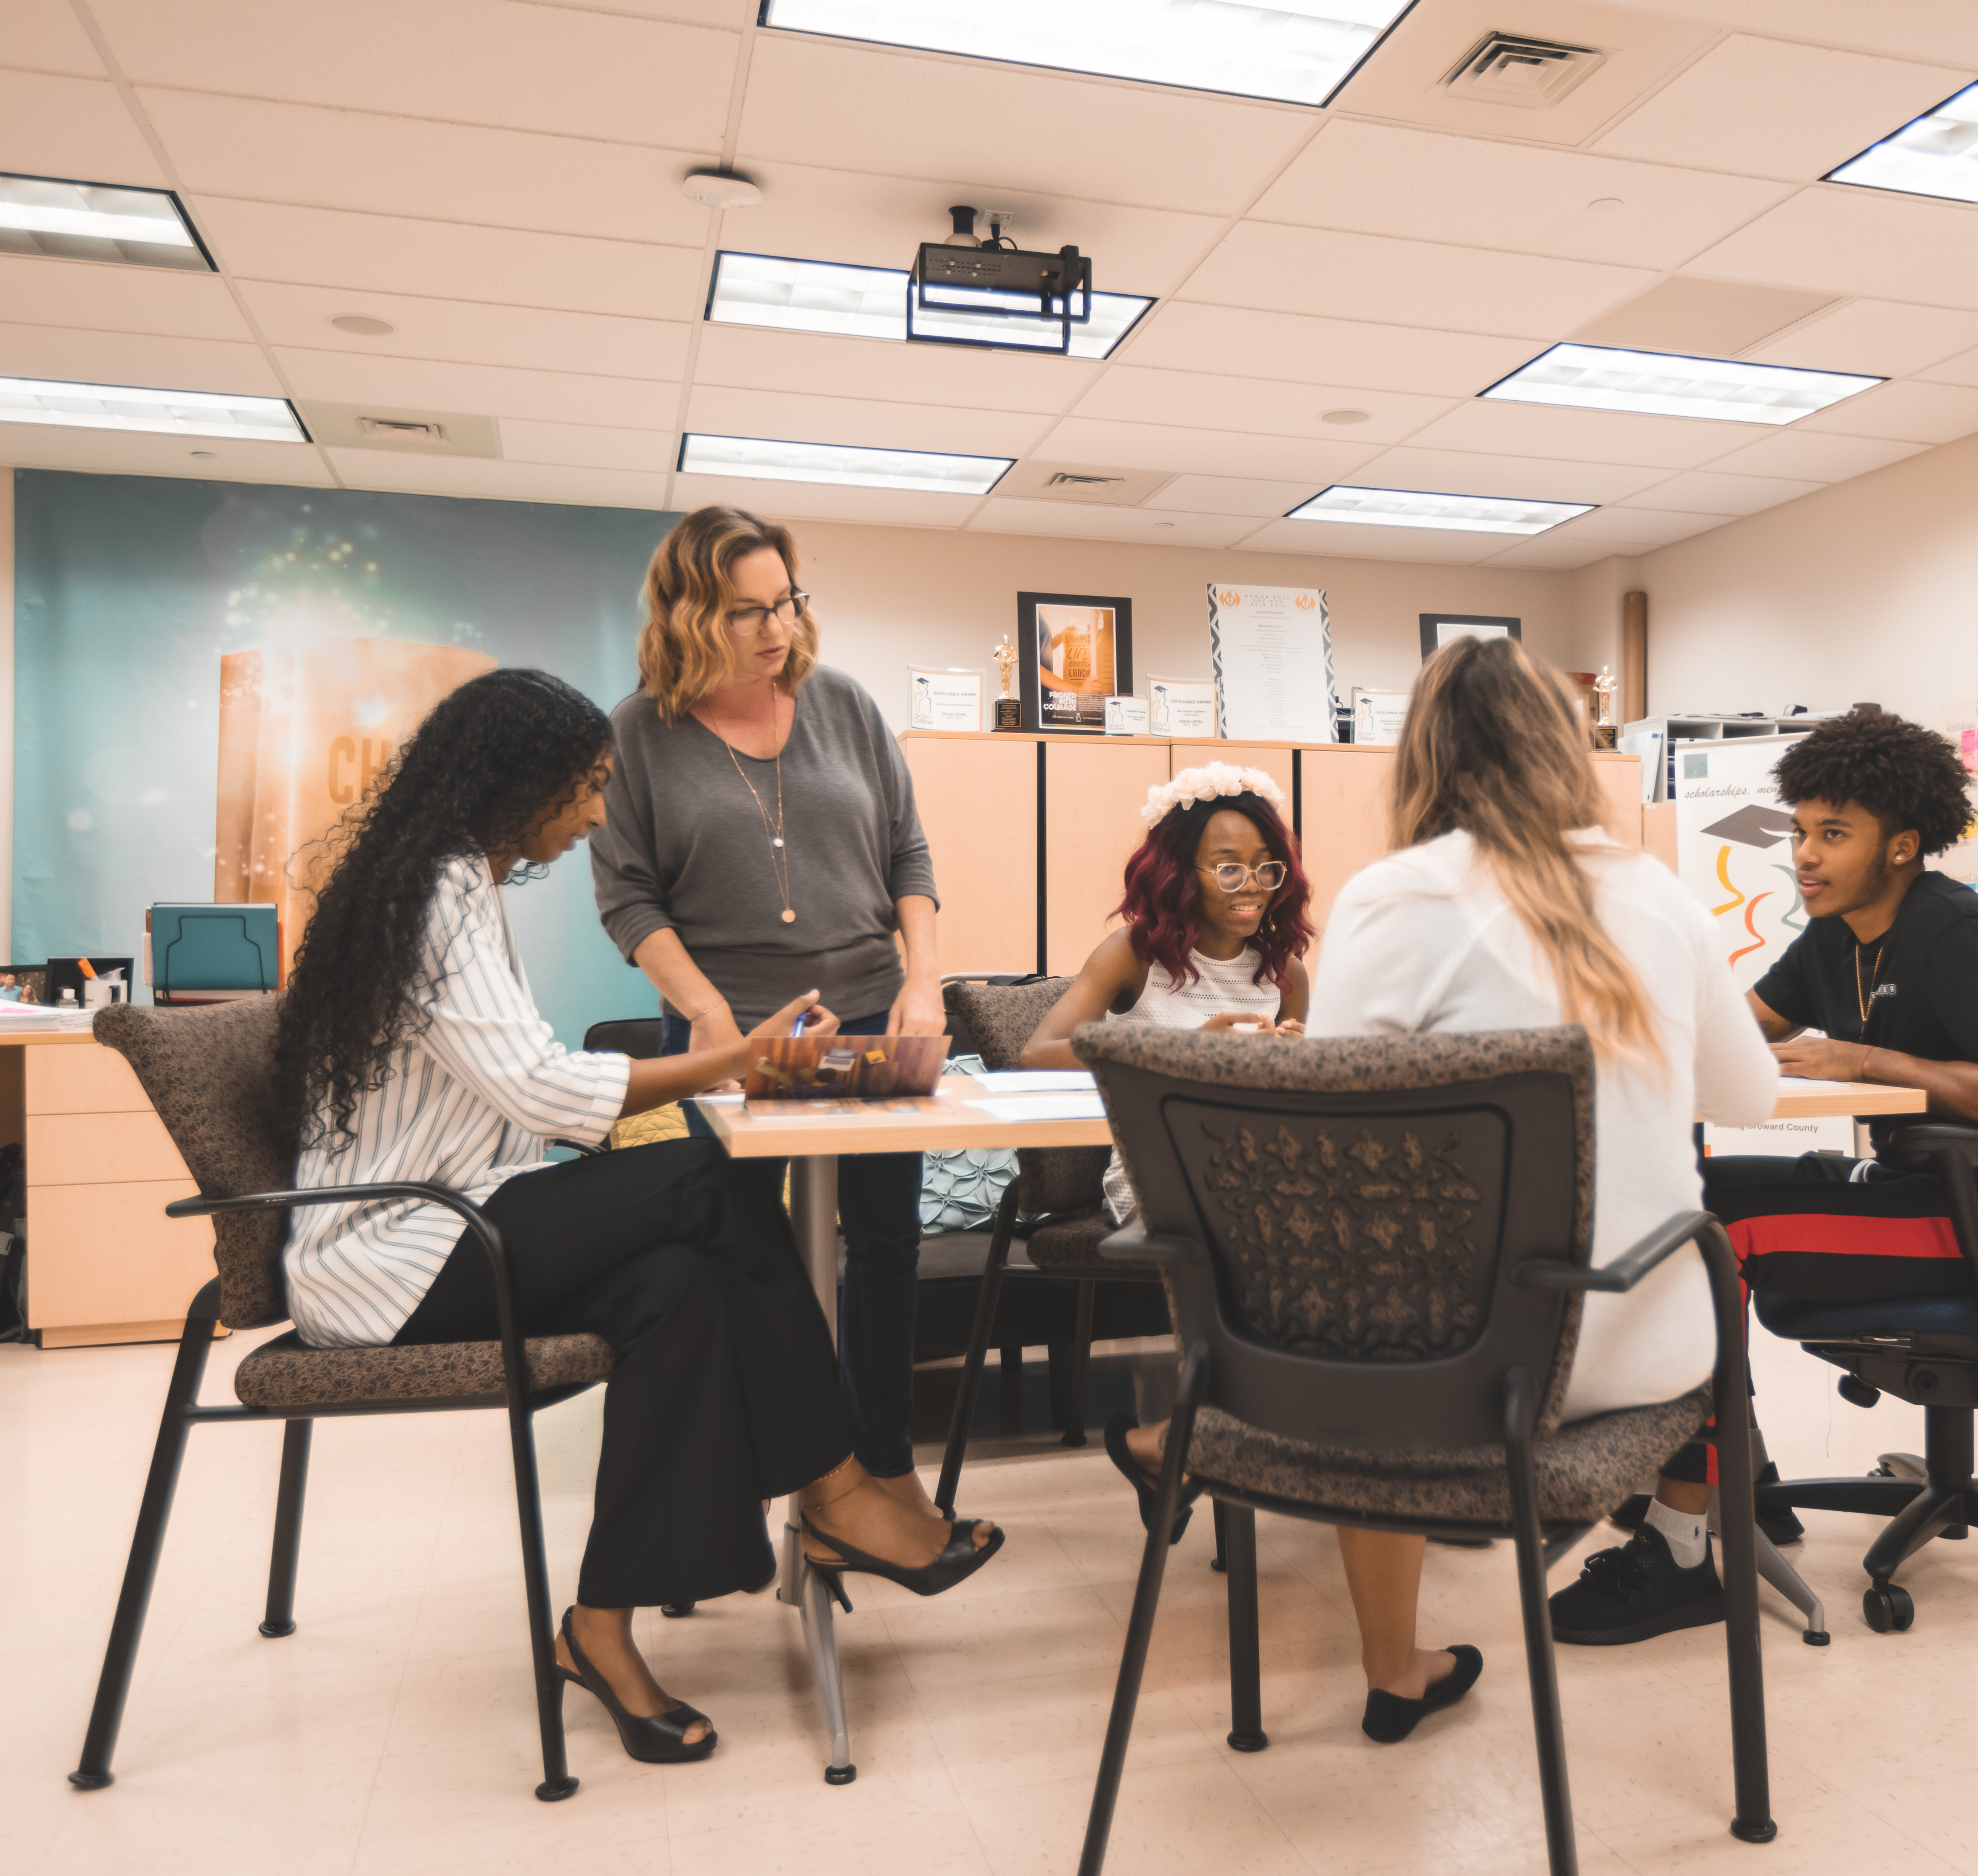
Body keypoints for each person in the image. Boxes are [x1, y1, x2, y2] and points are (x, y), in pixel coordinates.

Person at [278, 668, 999, 1766]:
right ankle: (839, 1486)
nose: (596, 811)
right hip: (394, 1255)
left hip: (464, 1218)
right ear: (522, 786)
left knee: (681, 1285)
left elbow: (525, 1100)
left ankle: (597, 1628)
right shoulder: (433, 895)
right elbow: (540, 1089)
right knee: (711, 1182)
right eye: (587, 788)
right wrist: (735, 1058)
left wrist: (712, 1073)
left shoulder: (454, 881)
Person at [1110, 635, 1777, 1745]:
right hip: (1632, 1360)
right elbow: (1745, 1098)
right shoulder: (1656, 893)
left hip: (1425, 1374)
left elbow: (1327, 1128)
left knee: (1378, 1288)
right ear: (1565, 754)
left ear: (1419, 756)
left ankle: (1392, 1663)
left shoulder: (1388, 899)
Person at [1544, 706, 1978, 1647]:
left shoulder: (1954, 932)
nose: (1804, 853)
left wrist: (1871, 1061)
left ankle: (1677, 1547)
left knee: (1712, 1243)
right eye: (1800, 830)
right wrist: (1597, 1041)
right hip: (1916, 1191)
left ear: (1903, 845)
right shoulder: (1836, 933)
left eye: (1833, 834)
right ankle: (1725, 1476)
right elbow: (1734, 1028)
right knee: (1689, 1202)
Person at [591, 506, 950, 1515]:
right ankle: (750, 1481)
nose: (774, 628)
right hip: (730, 1038)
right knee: (735, 1259)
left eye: (785, 601)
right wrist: (705, 1016)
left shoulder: (845, 705)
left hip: (871, 1021)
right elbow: (626, 897)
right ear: (688, 616)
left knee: (885, 1244)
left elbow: (908, 857)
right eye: (744, 611)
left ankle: (882, 1470)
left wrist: (922, 982)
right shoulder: (639, 732)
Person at [1021, 761, 1313, 1231]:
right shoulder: (1132, 955)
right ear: (1179, 874)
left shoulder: (1286, 974)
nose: (1253, 884)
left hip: (1261, 1158)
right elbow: (1037, 1056)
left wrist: (1300, 1064)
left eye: (1265, 866)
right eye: (1229, 868)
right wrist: (1188, 1050)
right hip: (1159, 1164)